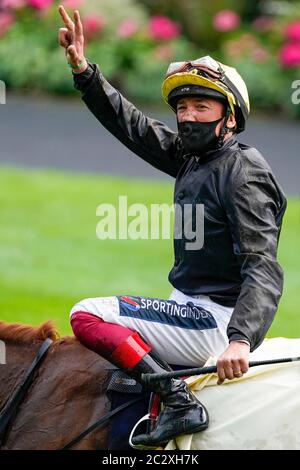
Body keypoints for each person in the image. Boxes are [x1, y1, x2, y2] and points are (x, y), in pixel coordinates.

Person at [58, 6, 287, 447]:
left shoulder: (244, 173)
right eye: (182, 107)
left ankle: (179, 402)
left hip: (213, 322)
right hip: (189, 306)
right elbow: (135, 128)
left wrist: (240, 340)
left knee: (86, 314)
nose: (188, 116)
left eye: (202, 106)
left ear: (230, 118)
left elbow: (263, 264)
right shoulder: (194, 156)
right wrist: (84, 72)